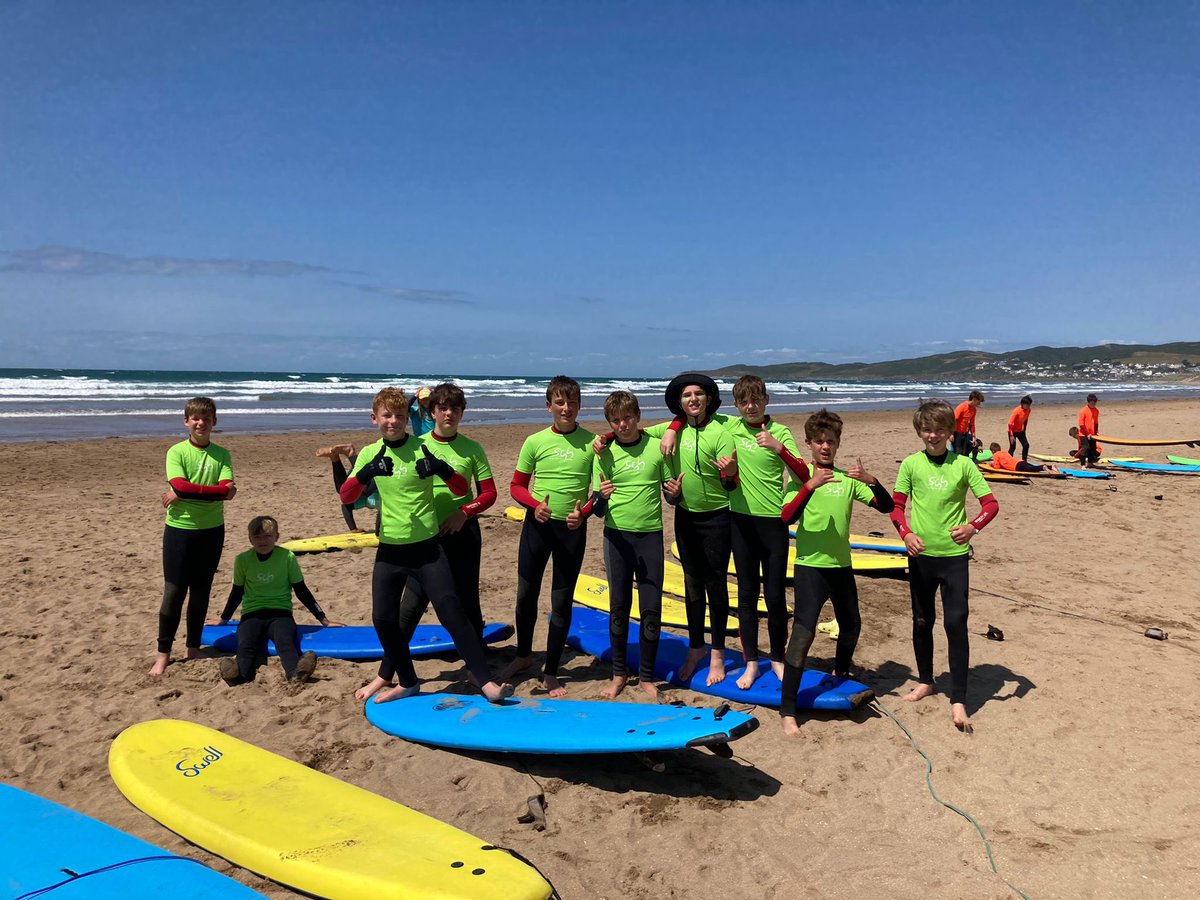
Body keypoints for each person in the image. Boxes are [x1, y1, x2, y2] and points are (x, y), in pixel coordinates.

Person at [339, 387, 511, 704]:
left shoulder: (423, 448)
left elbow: (463, 488)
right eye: (387, 416)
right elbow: (347, 498)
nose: (393, 421)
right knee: (384, 618)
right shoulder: (369, 453)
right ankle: (404, 679)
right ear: (374, 418)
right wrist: (364, 473)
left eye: (400, 416)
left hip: (429, 547)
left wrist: (442, 470)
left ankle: (485, 681)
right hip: (390, 549)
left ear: (409, 418)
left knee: (453, 610)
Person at [778, 409, 894, 737]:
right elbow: (785, 518)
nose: (825, 446)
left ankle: (840, 673)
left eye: (831, 441)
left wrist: (872, 480)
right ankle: (788, 710)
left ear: (838, 443)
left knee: (852, 624)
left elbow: (886, 507)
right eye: (819, 441)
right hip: (810, 568)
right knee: (803, 634)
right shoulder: (802, 479)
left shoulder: (846, 480)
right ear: (809, 444)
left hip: (842, 567)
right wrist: (810, 487)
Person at [890, 399, 999, 732]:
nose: (933, 435)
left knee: (956, 623)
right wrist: (906, 534)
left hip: (953, 559)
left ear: (951, 431)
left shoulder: (963, 465)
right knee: (922, 621)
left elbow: (991, 505)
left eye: (939, 429)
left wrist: (972, 527)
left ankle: (959, 699)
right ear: (919, 432)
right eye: (927, 429)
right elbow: (896, 508)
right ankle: (926, 681)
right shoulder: (910, 464)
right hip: (921, 557)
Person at [711, 376, 810, 690]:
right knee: (746, 597)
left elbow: (804, 474)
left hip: (773, 525)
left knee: (776, 596)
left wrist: (778, 448)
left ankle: (778, 659)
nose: (750, 406)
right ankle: (751, 663)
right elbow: (728, 484)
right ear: (736, 405)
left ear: (766, 400)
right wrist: (727, 475)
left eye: (755, 400)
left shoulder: (779, 432)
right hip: (740, 523)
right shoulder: (731, 431)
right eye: (743, 402)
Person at [503, 376, 597, 697]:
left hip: (571, 530)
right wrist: (534, 505)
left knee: (561, 600)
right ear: (549, 406)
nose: (566, 408)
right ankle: (523, 654)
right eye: (560, 402)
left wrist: (582, 513)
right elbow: (517, 485)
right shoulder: (535, 441)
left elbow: (598, 491)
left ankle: (552, 669)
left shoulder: (592, 443)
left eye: (572, 402)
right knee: (525, 595)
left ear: (579, 405)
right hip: (537, 526)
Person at [644, 374, 738, 686]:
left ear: (708, 399)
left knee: (716, 585)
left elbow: (730, 484)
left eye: (699, 394)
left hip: (718, 518)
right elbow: (631, 431)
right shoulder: (674, 428)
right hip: (685, 518)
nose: (693, 399)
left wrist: (729, 474)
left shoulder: (721, 433)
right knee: (692, 585)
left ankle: (718, 653)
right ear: (680, 403)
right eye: (687, 395)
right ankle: (696, 648)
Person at [590, 390, 680, 700]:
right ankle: (618, 675)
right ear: (609, 423)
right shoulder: (603, 453)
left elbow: (670, 497)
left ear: (637, 416)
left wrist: (675, 492)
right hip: (616, 537)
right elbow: (597, 509)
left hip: (649, 536)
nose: (623, 424)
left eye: (627, 417)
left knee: (651, 608)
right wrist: (600, 497)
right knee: (618, 607)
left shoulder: (657, 448)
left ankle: (645, 676)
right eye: (615, 420)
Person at [151, 397, 236, 677]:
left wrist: (187, 492)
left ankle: (192, 647)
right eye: (195, 418)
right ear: (186, 421)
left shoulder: (222, 454)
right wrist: (206, 492)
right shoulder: (176, 452)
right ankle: (163, 654)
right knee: (174, 593)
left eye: (206, 418)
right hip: (180, 531)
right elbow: (182, 485)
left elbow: (225, 490)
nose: (201, 423)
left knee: (201, 591)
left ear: (214, 422)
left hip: (212, 531)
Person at [209, 515, 342, 686]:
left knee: (285, 642)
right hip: (252, 615)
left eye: (267, 536)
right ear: (250, 539)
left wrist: (323, 619)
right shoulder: (242, 560)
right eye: (257, 537)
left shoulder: (287, 557)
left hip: (280, 614)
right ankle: (238, 677)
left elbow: (302, 590)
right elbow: (236, 592)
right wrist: (223, 619)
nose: (262, 541)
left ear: (276, 537)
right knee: (246, 644)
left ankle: (295, 675)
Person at [314, 444, 379, 532]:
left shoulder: (367, 501)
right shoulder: (378, 501)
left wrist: (353, 529)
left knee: (342, 491)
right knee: (366, 490)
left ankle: (335, 459)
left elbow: (345, 506)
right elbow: (382, 514)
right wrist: (378, 532)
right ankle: (350, 453)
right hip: (372, 480)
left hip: (367, 492)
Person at [953, 390, 985, 460]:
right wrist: (951, 434)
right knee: (958, 453)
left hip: (965, 433)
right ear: (974, 399)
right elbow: (953, 420)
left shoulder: (973, 409)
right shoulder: (962, 407)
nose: (979, 404)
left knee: (974, 445)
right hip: (957, 433)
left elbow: (972, 424)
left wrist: (973, 437)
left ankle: (973, 460)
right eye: (978, 402)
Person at [986, 443, 1059, 474]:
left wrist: (991, 465)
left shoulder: (995, 455)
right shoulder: (1004, 452)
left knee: (1031, 469)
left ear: (993, 451)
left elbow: (997, 467)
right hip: (1019, 461)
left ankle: (1044, 467)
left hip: (1015, 466)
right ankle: (1051, 466)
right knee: (1032, 466)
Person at [1072, 393, 1101, 467]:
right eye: (1092, 402)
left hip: (1092, 434)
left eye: (1095, 402)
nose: (1094, 404)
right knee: (1084, 448)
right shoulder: (1083, 410)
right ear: (1088, 402)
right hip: (1083, 433)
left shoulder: (1096, 411)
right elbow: (1081, 424)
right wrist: (1087, 434)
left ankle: (1090, 463)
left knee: (1093, 448)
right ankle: (1083, 465)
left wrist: (1096, 431)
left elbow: (1096, 422)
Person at [1007, 396, 1033, 461]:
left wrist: (1024, 429)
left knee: (1026, 445)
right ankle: (1008, 460)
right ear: (1022, 404)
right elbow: (1010, 423)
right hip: (1012, 431)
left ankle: (1024, 461)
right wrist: (1011, 435)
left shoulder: (1028, 410)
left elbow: (1026, 419)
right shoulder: (1016, 411)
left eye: (1028, 404)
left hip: (1020, 430)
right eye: (1025, 404)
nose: (1027, 406)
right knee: (1013, 447)